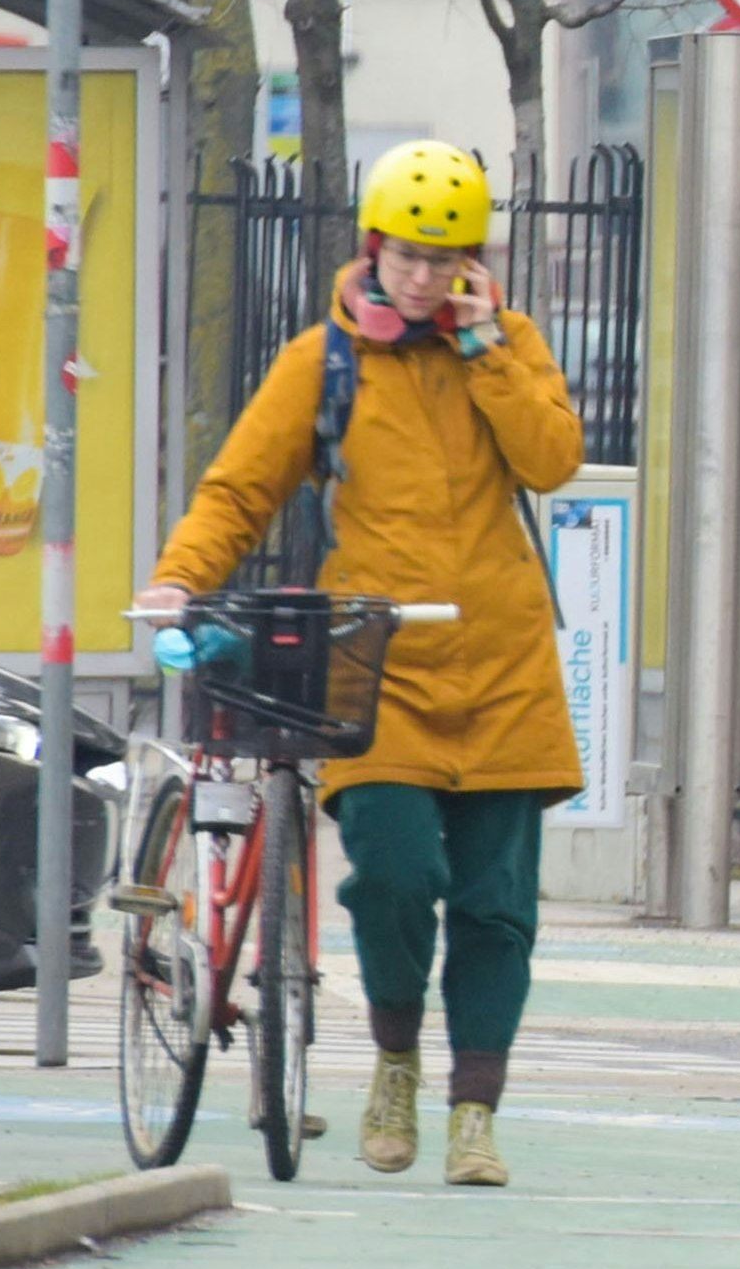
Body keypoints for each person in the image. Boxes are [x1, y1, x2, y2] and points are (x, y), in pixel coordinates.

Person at [147, 142, 583, 1189]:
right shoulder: (325, 361)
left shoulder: (509, 343)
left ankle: (474, 1112)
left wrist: (487, 350)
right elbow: (239, 491)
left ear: (473, 263)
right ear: (373, 248)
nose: (423, 279)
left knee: (496, 908)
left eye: (446, 260)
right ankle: (395, 1060)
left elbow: (551, 459)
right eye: (408, 257)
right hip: (379, 668)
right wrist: (178, 578)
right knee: (393, 877)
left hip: (505, 664)